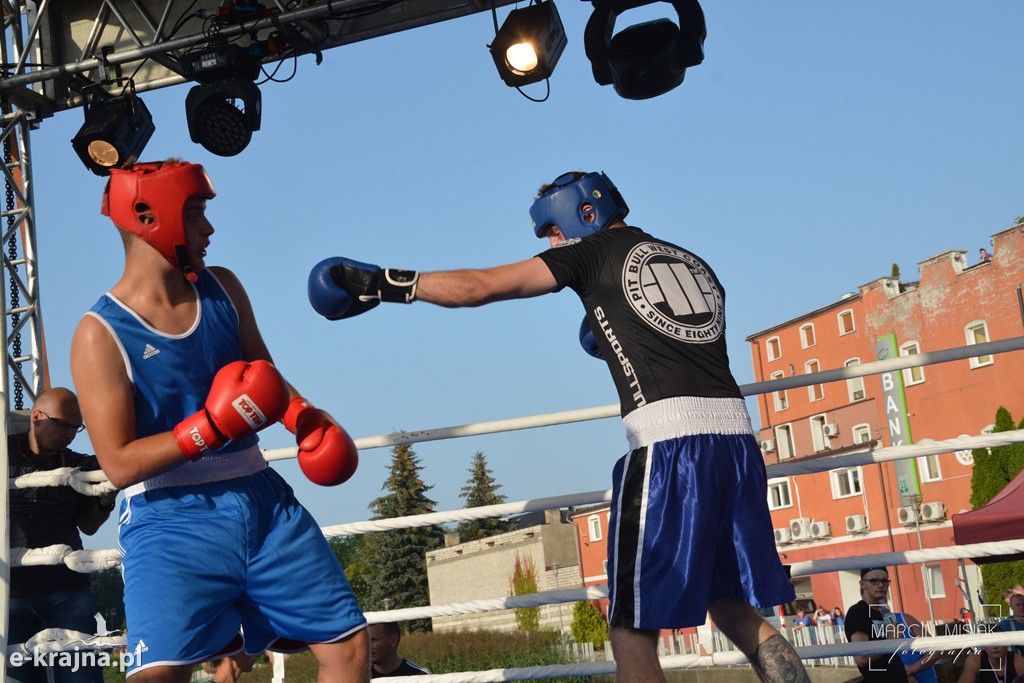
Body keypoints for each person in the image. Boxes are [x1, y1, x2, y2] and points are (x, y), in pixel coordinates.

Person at [307, 170, 810, 683]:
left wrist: (385, 284)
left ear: (584, 212)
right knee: (731, 606)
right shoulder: (694, 262)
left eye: (551, 230)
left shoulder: (589, 253)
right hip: (737, 444)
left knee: (630, 627)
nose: (551, 242)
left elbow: (480, 287)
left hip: (669, 445)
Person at [69, 160, 368, 681]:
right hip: (169, 516)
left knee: (348, 645)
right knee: (159, 674)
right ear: (148, 216)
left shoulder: (223, 288)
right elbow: (117, 464)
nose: (209, 228)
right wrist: (210, 425)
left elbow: (265, 379)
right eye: (195, 214)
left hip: (263, 500)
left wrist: (305, 419)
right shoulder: (99, 332)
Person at [7, 387, 117, 683]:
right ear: (37, 418)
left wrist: (105, 500)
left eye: (75, 427)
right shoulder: (2, 454)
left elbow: (89, 526)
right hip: (11, 594)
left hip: (66, 591)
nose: (70, 434)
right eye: (63, 425)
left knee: (81, 678)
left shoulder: (79, 465)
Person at [957, 634, 1024, 683]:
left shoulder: (1019, 662)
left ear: (1007, 644)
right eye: (990, 642)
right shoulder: (975, 660)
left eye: (999, 642)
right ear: (983, 646)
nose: (995, 647)